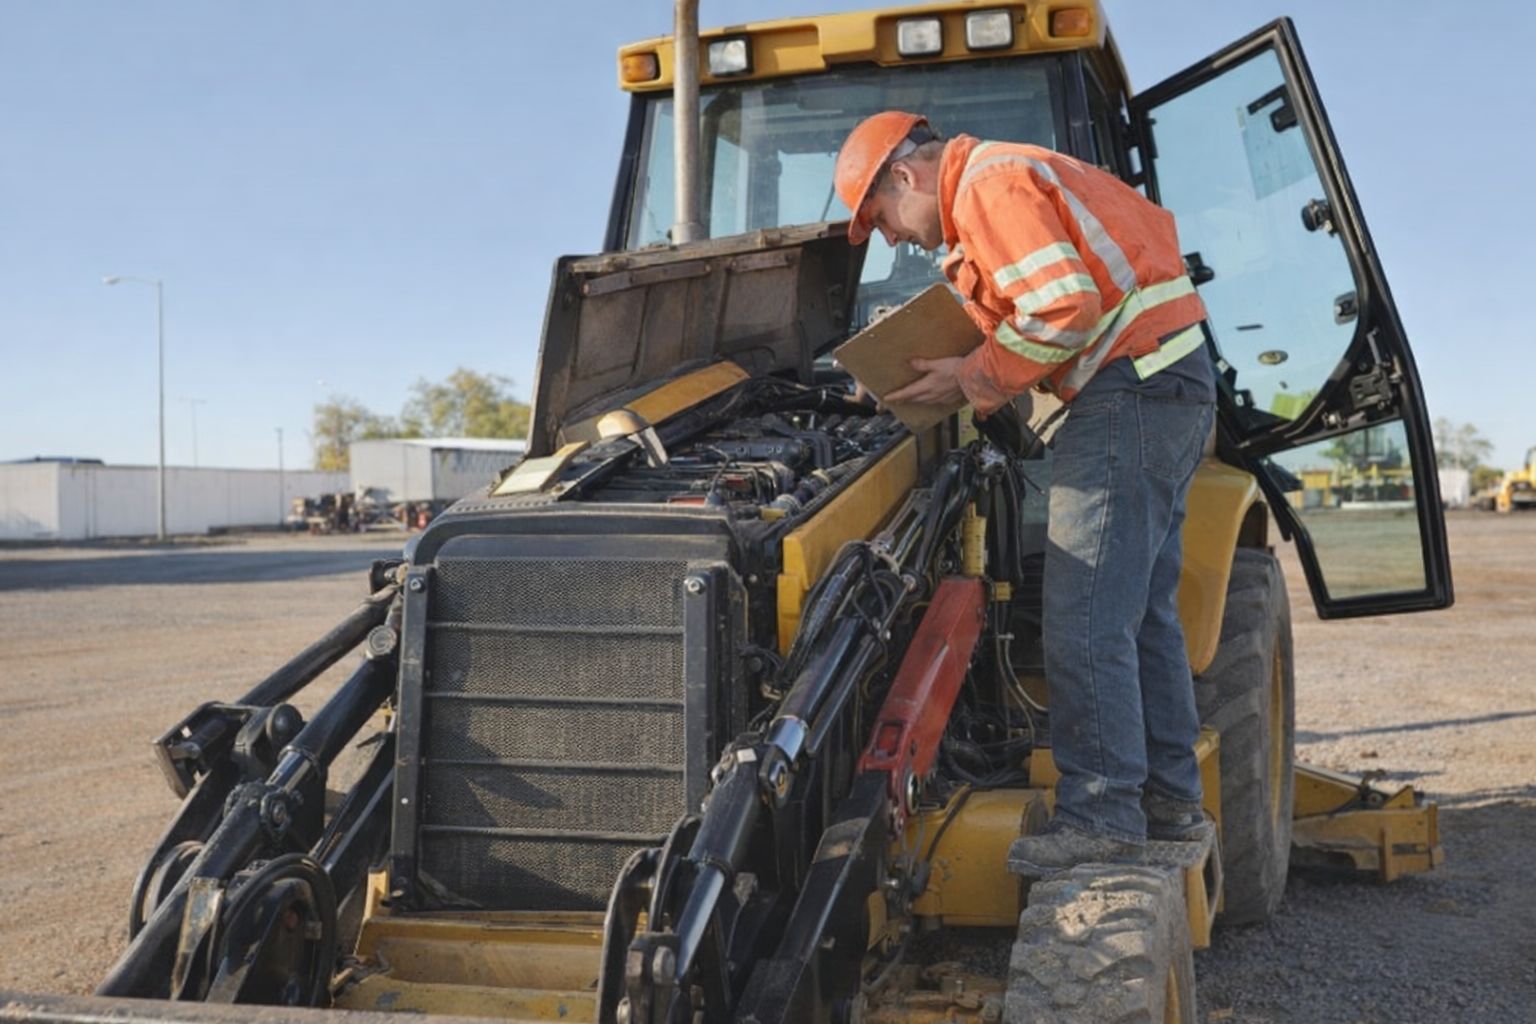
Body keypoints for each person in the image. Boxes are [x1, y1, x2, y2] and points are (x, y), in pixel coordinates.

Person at [833, 111, 1217, 873]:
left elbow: (1063, 309)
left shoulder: (987, 184)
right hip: (1165, 387)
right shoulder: (1006, 182)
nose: (892, 239)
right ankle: (1171, 807)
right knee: (1140, 620)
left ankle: (1102, 818)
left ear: (905, 177)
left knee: (1082, 620)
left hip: (1128, 393)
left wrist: (972, 378)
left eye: (880, 217)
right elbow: (1038, 303)